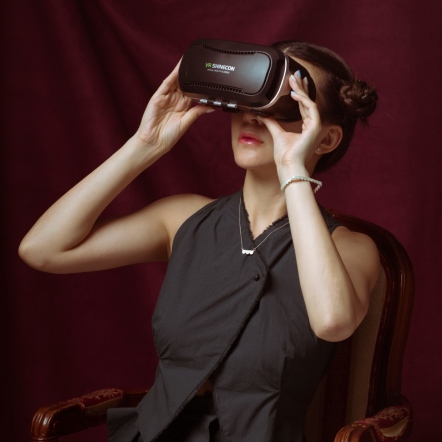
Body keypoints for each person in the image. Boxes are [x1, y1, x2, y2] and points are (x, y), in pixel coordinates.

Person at [19, 40, 380, 442]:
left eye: (284, 107)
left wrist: (292, 169)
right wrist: (145, 144)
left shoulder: (350, 248)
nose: (253, 117)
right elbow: (43, 250)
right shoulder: (183, 219)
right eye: (251, 98)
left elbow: (333, 322)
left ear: (325, 139)